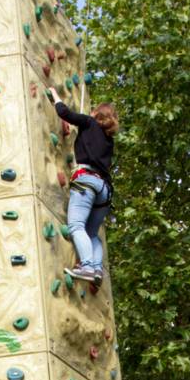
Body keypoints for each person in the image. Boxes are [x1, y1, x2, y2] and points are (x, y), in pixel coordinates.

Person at [49, 86, 119, 285]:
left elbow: (64, 113)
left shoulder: (89, 122)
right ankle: (97, 270)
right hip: (104, 189)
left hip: (86, 181)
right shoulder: (108, 140)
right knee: (91, 233)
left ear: (96, 113)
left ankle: (87, 266)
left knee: (76, 225)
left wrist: (54, 94)